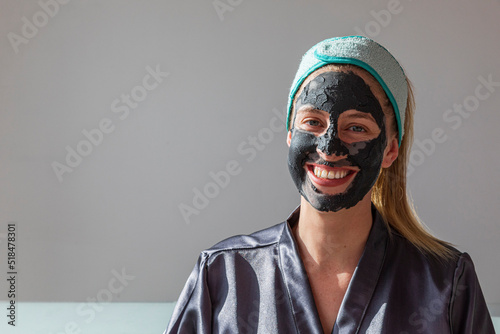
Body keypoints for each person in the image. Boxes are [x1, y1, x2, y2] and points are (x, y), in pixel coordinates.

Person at [165, 36, 495, 334]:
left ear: (390, 150)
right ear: (291, 134)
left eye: (357, 128)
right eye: (313, 122)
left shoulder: (446, 283)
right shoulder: (223, 275)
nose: (329, 148)